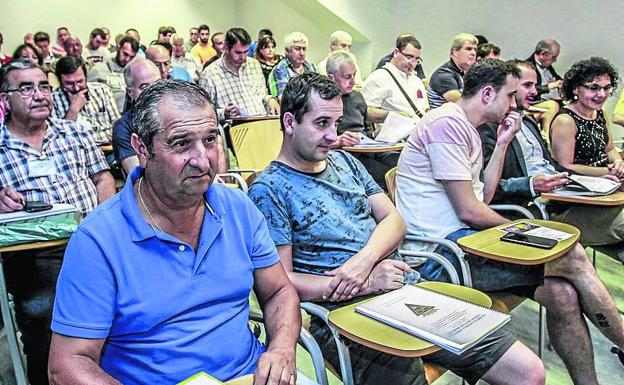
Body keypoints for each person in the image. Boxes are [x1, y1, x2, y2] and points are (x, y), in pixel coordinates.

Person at [249, 72, 545, 385]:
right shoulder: (270, 189)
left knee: (530, 371)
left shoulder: (345, 163)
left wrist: (364, 263)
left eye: (336, 124)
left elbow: (395, 220)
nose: (333, 136)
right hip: (344, 313)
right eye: (321, 123)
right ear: (290, 122)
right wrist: (366, 283)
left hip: (401, 288)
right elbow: (282, 283)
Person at [48, 79, 301, 385]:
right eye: (181, 143)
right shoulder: (97, 240)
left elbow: (279, 291)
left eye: (210, 140)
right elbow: (66, 365)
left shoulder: (237, 207)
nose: (202, 159)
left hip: (250, 376)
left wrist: (282, 349)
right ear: (142, 148)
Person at [396, 59, 624, 385]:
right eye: (510, 96)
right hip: (442, 254)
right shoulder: (445, 125)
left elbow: (483, 197)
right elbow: (469, 210)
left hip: (466, 241)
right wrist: (519, 230)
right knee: (571, 254)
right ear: (488, 93)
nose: (515, 104)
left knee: (563, 295)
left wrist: (502, 143)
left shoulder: (467, 127)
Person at [0, 59, 114, 385]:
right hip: (35, 254)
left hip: (92, 240)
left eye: (43, 86)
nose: (39, 95)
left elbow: (103, 178)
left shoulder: (74, 132)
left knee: (119, 324)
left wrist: (103, 222)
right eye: (26, 88)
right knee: (48, 337)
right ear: (5, 99)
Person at [480, 59, 624, 260]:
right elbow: (485, 188)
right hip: (539, 208)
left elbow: (556, 166)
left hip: (568, 196)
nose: (535, 92)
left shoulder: (528, 120)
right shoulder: (488, 128)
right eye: (527, 86)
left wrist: (587, 180)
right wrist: (531, 185)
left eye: (535, 85)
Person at [326, 50, 397, 190]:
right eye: (347, 77)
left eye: (354, 75)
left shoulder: (357, 97)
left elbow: (366, 130)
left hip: (367, 149)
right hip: (342, 153)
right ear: (331, 77)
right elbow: (316, 140)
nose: (353, 81)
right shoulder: (323, 101)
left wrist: (376, 135)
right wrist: (339, 140)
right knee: (383, 175)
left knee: (400, 163)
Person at [550, 57, 624, 180]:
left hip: (606, 179)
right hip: (580, 184)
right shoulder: (565, 120)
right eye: (594, 88)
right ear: (575, 89)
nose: (602, 94)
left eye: (606, 88)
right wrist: (608, 172)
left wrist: (619, 163)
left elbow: (610, 149)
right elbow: (565, 166)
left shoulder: (600, 113)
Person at [200, 27, 279, 121]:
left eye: (246, 51)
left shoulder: (254, 64)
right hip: (234, 128)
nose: (243, 57)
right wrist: (224, 113)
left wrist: (270, 99)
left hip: (261, 121)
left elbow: (262, 94)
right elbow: (204, 113)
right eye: (238, 52)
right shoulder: (210, 74)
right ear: (226, 48)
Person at [52, 55, 121, 144]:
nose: (76, 88)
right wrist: (73, 110)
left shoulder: (102, 91)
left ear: (86, 77)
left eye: (80, 81)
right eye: (69, 83)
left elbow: (118, 127)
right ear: (60, 82)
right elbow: (60, 137)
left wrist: (81, 139)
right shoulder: (52, 100)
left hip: (109, 150)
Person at [361, 34, 428, 120]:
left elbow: (425, 109)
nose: (413, 63)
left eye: (417, 59)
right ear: (396, 52)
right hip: (394, 131)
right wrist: (393, 116)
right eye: (409, 57)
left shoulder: (417, 81)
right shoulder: (378, 77)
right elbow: (365, 111)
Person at [112, 59, 161, 175]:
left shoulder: (179, 113)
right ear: (130, 92)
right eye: (144, 87)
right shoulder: (124, 128)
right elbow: (138, 176)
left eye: (158, 84)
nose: (153, 91)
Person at [88, 35, 140, 111]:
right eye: (125, 54)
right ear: (118, 47)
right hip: (105, 115)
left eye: (131, 57)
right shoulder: (98, 70)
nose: (127, 59)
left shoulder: (133, 73)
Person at [426, 32, 478, 109]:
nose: (473, 53)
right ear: (455, 52)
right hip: (443, 119)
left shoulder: (462, 72)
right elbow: (463, 105)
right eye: (468, 49)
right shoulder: (444, 75)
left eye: (475, 50)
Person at [525, 39, 563, 136]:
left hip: (553, 100)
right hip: (534, 102)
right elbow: (528, 91)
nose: (555, 61)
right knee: (552, 105)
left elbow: (558, 80)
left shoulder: (548, 67)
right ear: (543, 54)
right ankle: (546, 137)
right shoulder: (528, 67)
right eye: (553, 57)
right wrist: (549, 87)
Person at [268, 32, 316, 99]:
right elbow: (284, 100)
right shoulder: (279, 70)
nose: (302, 53)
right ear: (287, 51)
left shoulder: (311, 66)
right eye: (297, 49)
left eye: (304, 49)